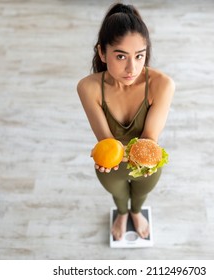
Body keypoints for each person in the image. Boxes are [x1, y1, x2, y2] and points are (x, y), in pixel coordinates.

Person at [77, 3, 174, 241]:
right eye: (121, 56)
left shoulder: (162, 84)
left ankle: (136, 211)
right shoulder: (88, 87)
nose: (132, 68)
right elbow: (106, 140)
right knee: (117, 193)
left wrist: (119, 153)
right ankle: (122, 212)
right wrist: (107, 152)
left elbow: (149, 138)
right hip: (111, 165)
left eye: (139, 56)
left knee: (142, 192)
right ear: (102, 53)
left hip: (146, 163)